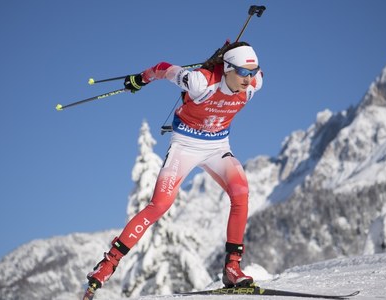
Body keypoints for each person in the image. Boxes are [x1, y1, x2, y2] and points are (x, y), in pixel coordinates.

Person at [86, 41, 263, 291]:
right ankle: (107, 264)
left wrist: (233, 51)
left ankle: (232, 268)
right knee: (160, 204)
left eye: (253, 71)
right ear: (227, 68)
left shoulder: (255, 84)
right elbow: (163, 68)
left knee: (241, 193)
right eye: (243, 72)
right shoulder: (200, 82)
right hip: (186, 145)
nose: (249, 78)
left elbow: (253, 71)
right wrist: (140, 79)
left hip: (218, 147)